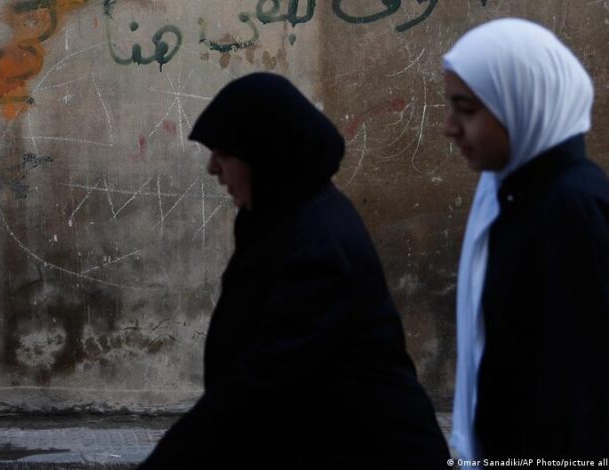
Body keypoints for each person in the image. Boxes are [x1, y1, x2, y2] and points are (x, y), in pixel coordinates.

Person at [138, 72, 450, 469]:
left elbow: (259, 383)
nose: (213, 168)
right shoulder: (276, 217)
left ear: (265, 157)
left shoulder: (317, 247)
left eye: (225, 154)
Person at [443, 18, 609, 463]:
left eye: (467, 110)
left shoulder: (572, 208)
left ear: (522, 102)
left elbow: (583, 390)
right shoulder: (508, 193)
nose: (450, 127)